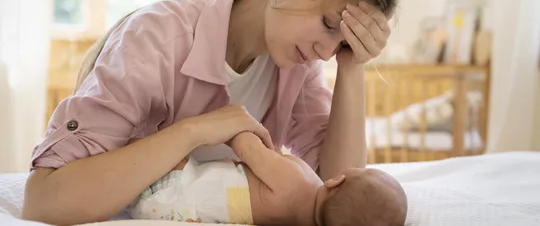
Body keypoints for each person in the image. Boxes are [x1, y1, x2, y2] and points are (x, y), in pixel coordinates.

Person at [22, 0, 402, 225]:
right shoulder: (155, 38)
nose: (325, 51)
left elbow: (336, 198)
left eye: (342, 43)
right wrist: (195, 131)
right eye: (328, 24)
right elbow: (45, 200)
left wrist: (353, 66)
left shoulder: (298, 65)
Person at [127, 132, 408, 225]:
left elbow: (248, 150)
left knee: (154, 142)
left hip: (173, 187)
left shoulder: (300, 180)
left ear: (335, 181)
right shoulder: (302, 220)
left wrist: (241, 127)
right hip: (172, 212)